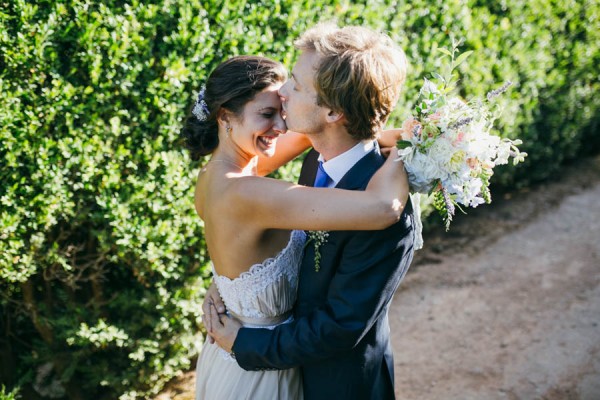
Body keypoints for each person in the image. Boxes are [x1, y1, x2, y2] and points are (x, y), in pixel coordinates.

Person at [204, 24, 415, 400]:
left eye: (297, 85)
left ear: (333, 111)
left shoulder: (390, 211)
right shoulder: (314, 154)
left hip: (339, 386)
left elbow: (341, 326)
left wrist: (245, 342)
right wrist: (229, 284)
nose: (282, 92)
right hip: (272, 372)